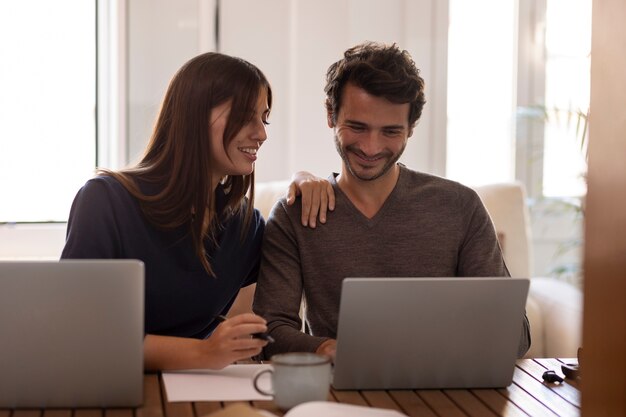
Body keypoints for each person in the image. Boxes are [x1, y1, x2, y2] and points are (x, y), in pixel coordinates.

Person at [253, 42, 531, 360]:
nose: (371, 148)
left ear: (411, 128)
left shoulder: (460, 207)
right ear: (330, 115)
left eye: (390, 131)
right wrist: (330, 349)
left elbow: (516, 337)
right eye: (357, 127)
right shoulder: (296, 213)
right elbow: (269, 330)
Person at [61, 52, 334, 371]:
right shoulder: (105, 201)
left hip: (197, 388)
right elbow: (81, 334)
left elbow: (250, 331)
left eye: (265, 118)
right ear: (194, 116)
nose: (262, 133)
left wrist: (305, 178)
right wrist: (204, 353)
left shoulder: (245, 228)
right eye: (247, 115)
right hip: (111, 388)